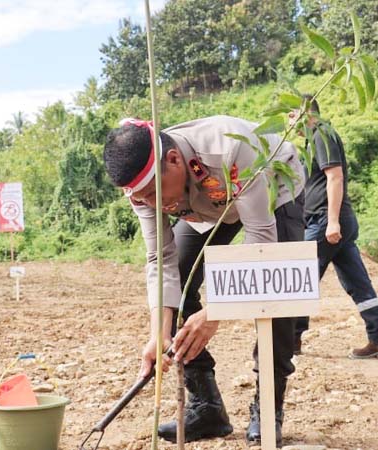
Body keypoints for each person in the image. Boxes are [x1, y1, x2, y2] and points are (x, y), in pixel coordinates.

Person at [103, 115, 305, 446]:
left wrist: (216, 312)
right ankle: (206, 407)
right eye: (139, 199)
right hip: (209, 205)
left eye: (152, 194)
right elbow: (160, 258)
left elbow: (260, 240)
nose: (151, 205)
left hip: (272, 191)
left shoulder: (231, 149)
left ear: (173, 160)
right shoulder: (143, 190)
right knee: (180, 277)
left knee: (274, 287)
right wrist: (159, 332)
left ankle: (268, 407)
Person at [289, 97, 378, 359]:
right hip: (326, 220)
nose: (289, 121)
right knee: (356, 281)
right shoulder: (312, 139)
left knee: (301, 277)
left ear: (304, 113)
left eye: (291, 115)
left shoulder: (322, 133)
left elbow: (335, 177)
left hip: (327, 220)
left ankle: (290, 340)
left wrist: (332, 221)